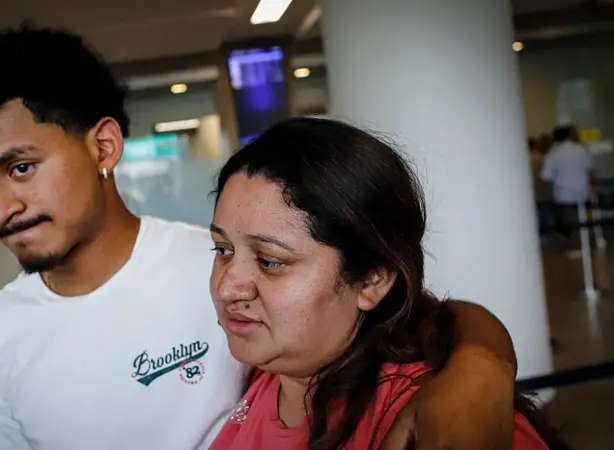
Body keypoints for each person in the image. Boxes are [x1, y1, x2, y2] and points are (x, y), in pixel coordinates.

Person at [0, 25, 523, 450]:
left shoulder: (204, 267)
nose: (1, 208)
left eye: (21, 168)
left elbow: (412, 314)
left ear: (103, 146)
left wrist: (482, 366)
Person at [208, 117, 566, 450]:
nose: (228, 288)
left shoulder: (445, 427)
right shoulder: (262, 372)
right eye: (223, 250)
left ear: (372, 279)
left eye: (270, 261)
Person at [541, 125, 595, 248]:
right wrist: (592, 188)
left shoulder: (553, 153)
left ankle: (573, 245)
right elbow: (590, 171)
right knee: (584, 219)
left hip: (564, 194)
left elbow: (545, 176)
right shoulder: (582, 150)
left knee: (567, 223)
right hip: (583, 192)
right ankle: (586, 243)